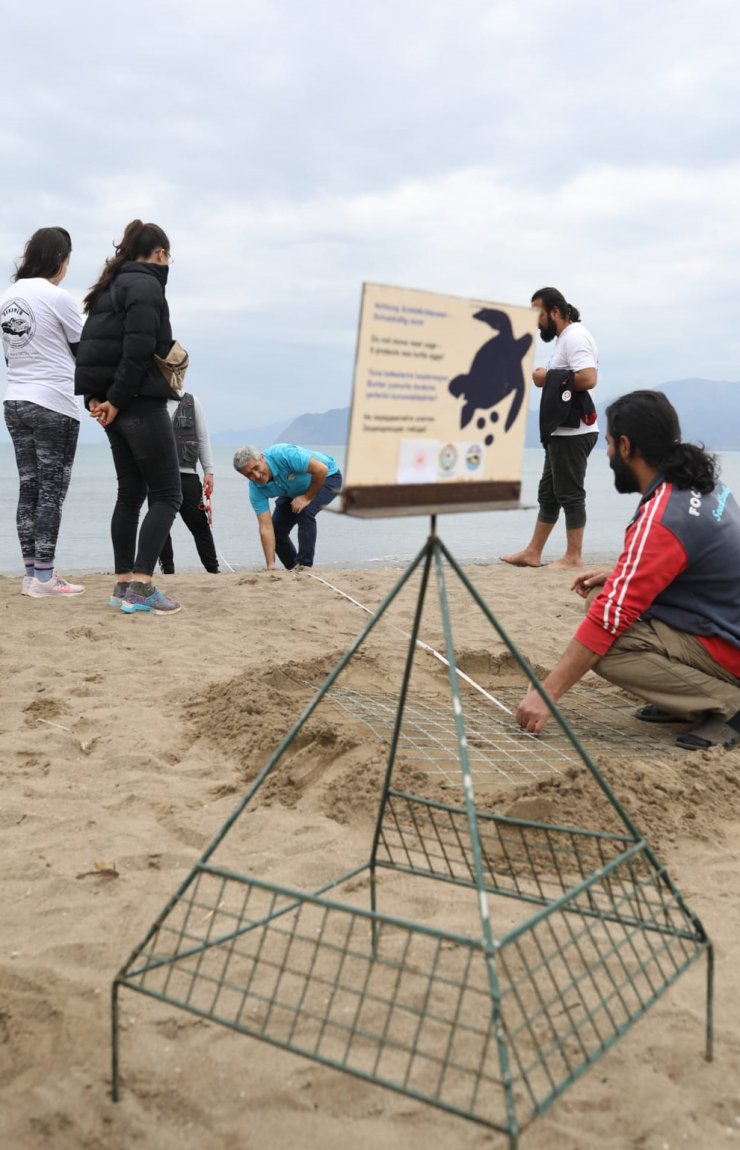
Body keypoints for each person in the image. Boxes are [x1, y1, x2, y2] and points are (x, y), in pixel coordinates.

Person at [515, 390, 740, 751]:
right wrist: (623, 572)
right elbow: (694, 561)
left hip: (729, 648)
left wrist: (547, 692)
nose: (605, 454)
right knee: (604, 600)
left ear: (625, 446)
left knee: (607, 644)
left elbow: (608, 620)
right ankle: (684, 699)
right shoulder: (703, 485)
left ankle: (726, 705)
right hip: (722, 620)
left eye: (606, 444)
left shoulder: (663, 516)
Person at [75, 219, 183, 614]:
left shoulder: (106, 288)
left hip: (114, 407)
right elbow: (138, 350)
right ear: (159, 254)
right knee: (168, 495)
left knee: (130, 494)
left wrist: (96, 400)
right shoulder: (146, 285)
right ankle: (142, 586)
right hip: (137, 403)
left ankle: (122, 586)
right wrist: (116, 400)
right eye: (168, 256)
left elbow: (90, 351)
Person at [1, 227, 85, 598]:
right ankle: (46, 579)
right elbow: (86, 350)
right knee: (52, 492)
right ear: (58, 259)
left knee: (29, 489)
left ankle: (30, 575)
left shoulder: (7, 297)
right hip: (52, 401)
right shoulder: (57, 296)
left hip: (14, 400)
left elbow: (9, 352)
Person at [502, 286, 598, 569]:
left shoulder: (576, 337)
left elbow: (589, 378)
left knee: (569, 493)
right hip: (561, 431)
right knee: (549, 493)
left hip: (575, 431)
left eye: (539, 314)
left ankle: (573, 557)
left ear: (555, 312)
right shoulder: (565, 339)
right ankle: (533, 552)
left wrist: (547, 377)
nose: (536, 321)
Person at [233, 443, 342, 570]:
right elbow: (265, 527)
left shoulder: (284, 454)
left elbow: (321, 470)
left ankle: (304, 566)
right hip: (293, 490)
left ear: (261, 458)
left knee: (305, 512)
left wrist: (307, 497)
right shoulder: (255, 490)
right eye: (249, 474)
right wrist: (270, 566)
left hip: (327, 477)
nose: (256, 476)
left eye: (256, 468)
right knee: (276, 530)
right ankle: (293, 568)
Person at [156, 391, 219, 574]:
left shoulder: (192, 401)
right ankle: (167, 570)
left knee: (199, 525)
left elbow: (202, 437)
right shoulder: (153, 400)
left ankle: (213, 570)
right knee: (160, 526)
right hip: (159, 476)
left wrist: (209, 470)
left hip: (188, 475)